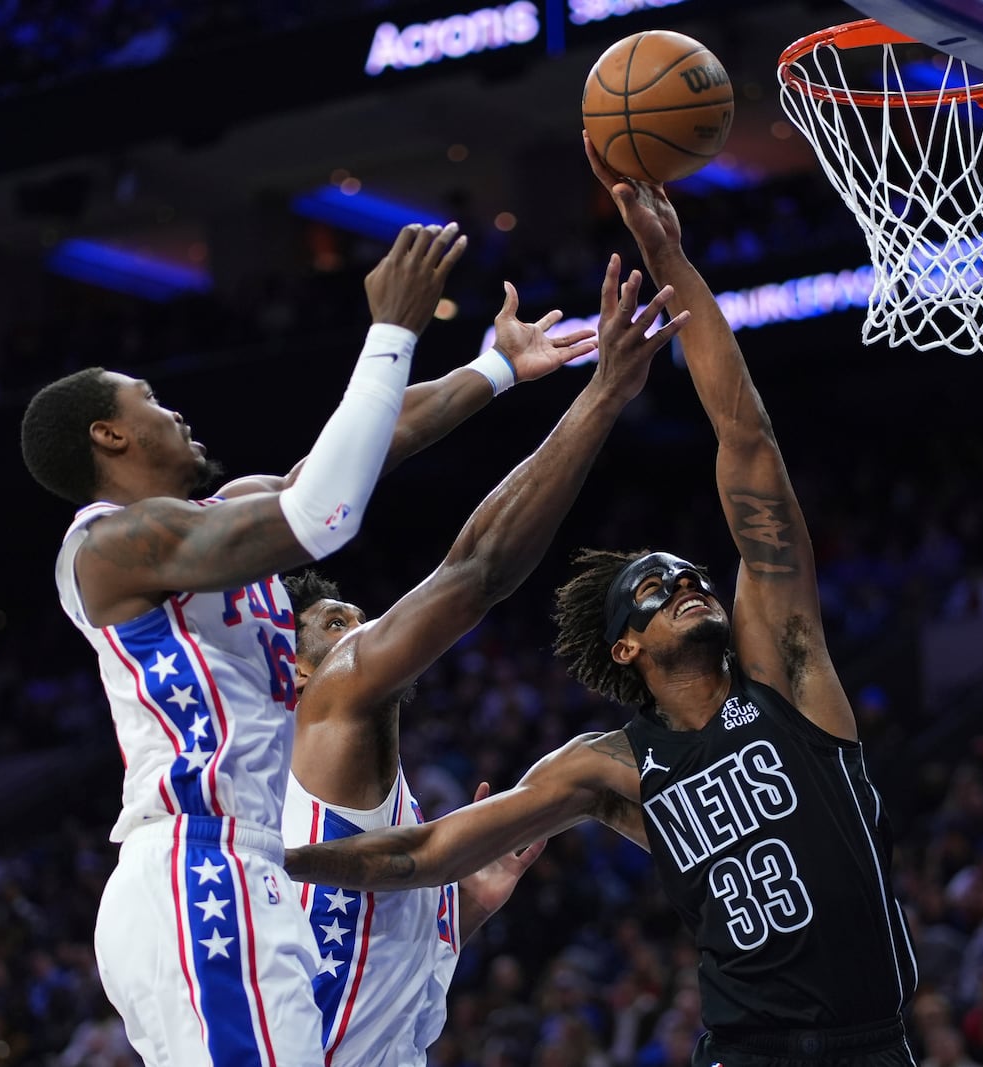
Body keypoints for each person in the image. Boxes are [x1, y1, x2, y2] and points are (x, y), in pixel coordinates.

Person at [284, 136, 920, 1067]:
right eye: (658, 588)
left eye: (692, 575)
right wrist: (281, 862)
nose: (691, 585)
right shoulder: (609, 767)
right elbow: (419, 856)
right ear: (627, 648)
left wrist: (672, 263)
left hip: (878, 1043)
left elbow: (744, 435)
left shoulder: (785, 669)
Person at [18, 222, 596, 1065]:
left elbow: (358, 453)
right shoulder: (105, 547)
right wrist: (391, 330)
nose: (171, 409)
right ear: (109, 435)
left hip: (245, 867)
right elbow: (325, 513)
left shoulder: (220, 520)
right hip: (195, 859)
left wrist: (496, 367)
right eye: (148, 398)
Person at [279, 252, 686, 1065]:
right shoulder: (326, 714)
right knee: (586, 770)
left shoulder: (329, 789)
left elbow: (346, 946)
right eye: (336, 627)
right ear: (293, 673)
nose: (362, 630)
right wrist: (603, 392)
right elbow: (477, 570)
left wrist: (458, 912)